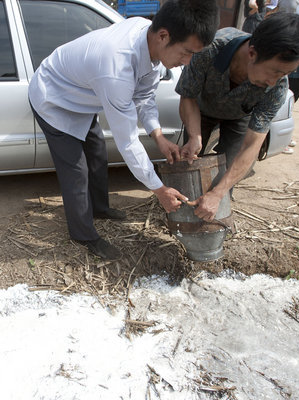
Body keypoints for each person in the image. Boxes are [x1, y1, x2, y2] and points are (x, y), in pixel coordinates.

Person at [28, 0, 219, 260]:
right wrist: (159, 189)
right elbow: (127, 141)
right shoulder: (116, 67)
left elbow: (144, 97)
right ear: (164, 36)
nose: (186, 62)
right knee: (76, 169)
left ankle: (99, 208)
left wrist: (159, 137)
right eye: (186, 53)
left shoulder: (149, 39)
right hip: (54, 97)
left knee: (97, 153)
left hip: (82, 96)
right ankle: (84, 234)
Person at [176, 12, 299, 222]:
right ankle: (181, 214)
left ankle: (216, 219)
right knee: (188, 162)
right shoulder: (210, 49)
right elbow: (188, 97)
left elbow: (252, 145)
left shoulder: (277, 87)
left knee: (228, 174)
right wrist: (194, 136)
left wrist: (217, 193)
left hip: (239, 115)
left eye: (283, 75)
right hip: (201, 110)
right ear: (252, 53)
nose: (273, 81)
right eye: (274, 72)